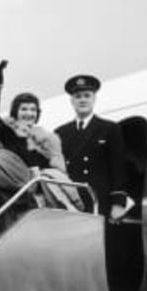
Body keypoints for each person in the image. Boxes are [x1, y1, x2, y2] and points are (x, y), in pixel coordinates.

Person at [55, 74, 129, 221]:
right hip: (73, 202)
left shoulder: (109, 128)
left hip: (100, 199)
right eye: (78, 96)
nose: (82, 100)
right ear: (72, 101)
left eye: (87, 95)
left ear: (94, 98)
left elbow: (118, 167)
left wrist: (118, 203)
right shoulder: (60, 133)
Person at [0, 60, 65, 171]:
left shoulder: (46, 142)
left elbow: (55, 172)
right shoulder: (8, 133)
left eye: (33, 110)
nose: (29, 113)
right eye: (24, 109)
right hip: (12, 184)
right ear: (15, 112)